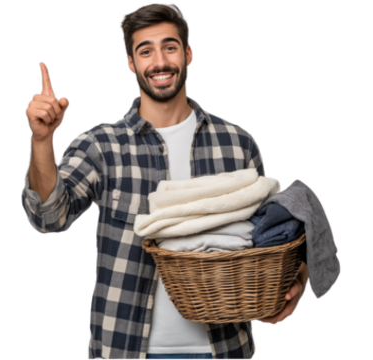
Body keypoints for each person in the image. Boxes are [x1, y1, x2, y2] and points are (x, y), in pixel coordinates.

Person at [21, 2, 307, 360]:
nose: (159, 61)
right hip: (125, 347)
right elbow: (47, 218)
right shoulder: (102, 144)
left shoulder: (237, 143)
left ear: (188, 54)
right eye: (145, 51)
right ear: (131, 63)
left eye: (170, 47)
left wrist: (296, 280)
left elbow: (270, 235)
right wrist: (43, 141)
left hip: (224, 348)